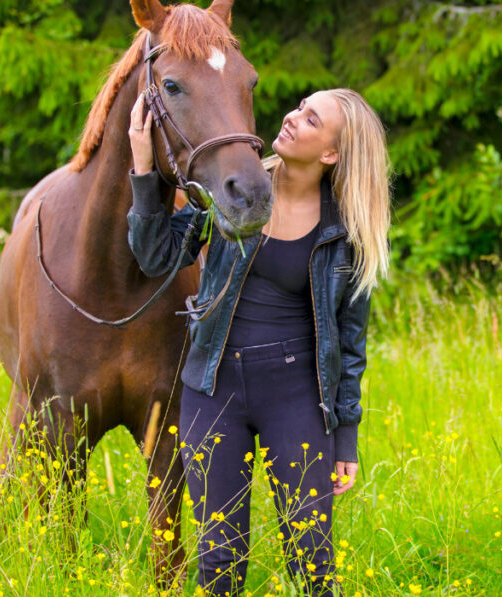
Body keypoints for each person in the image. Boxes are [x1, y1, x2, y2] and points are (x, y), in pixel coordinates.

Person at [126, 88, 391, 597]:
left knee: (312, 558)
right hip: (213, 387)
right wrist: (143, 171)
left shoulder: (348, 231)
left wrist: (347, 436)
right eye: (300, 106)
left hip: (296, 396)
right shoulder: (235, 190)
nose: (292, 117)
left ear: (331, 153)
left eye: (312, 119)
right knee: (219, 559)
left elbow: (351, 345)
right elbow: (157, 257)